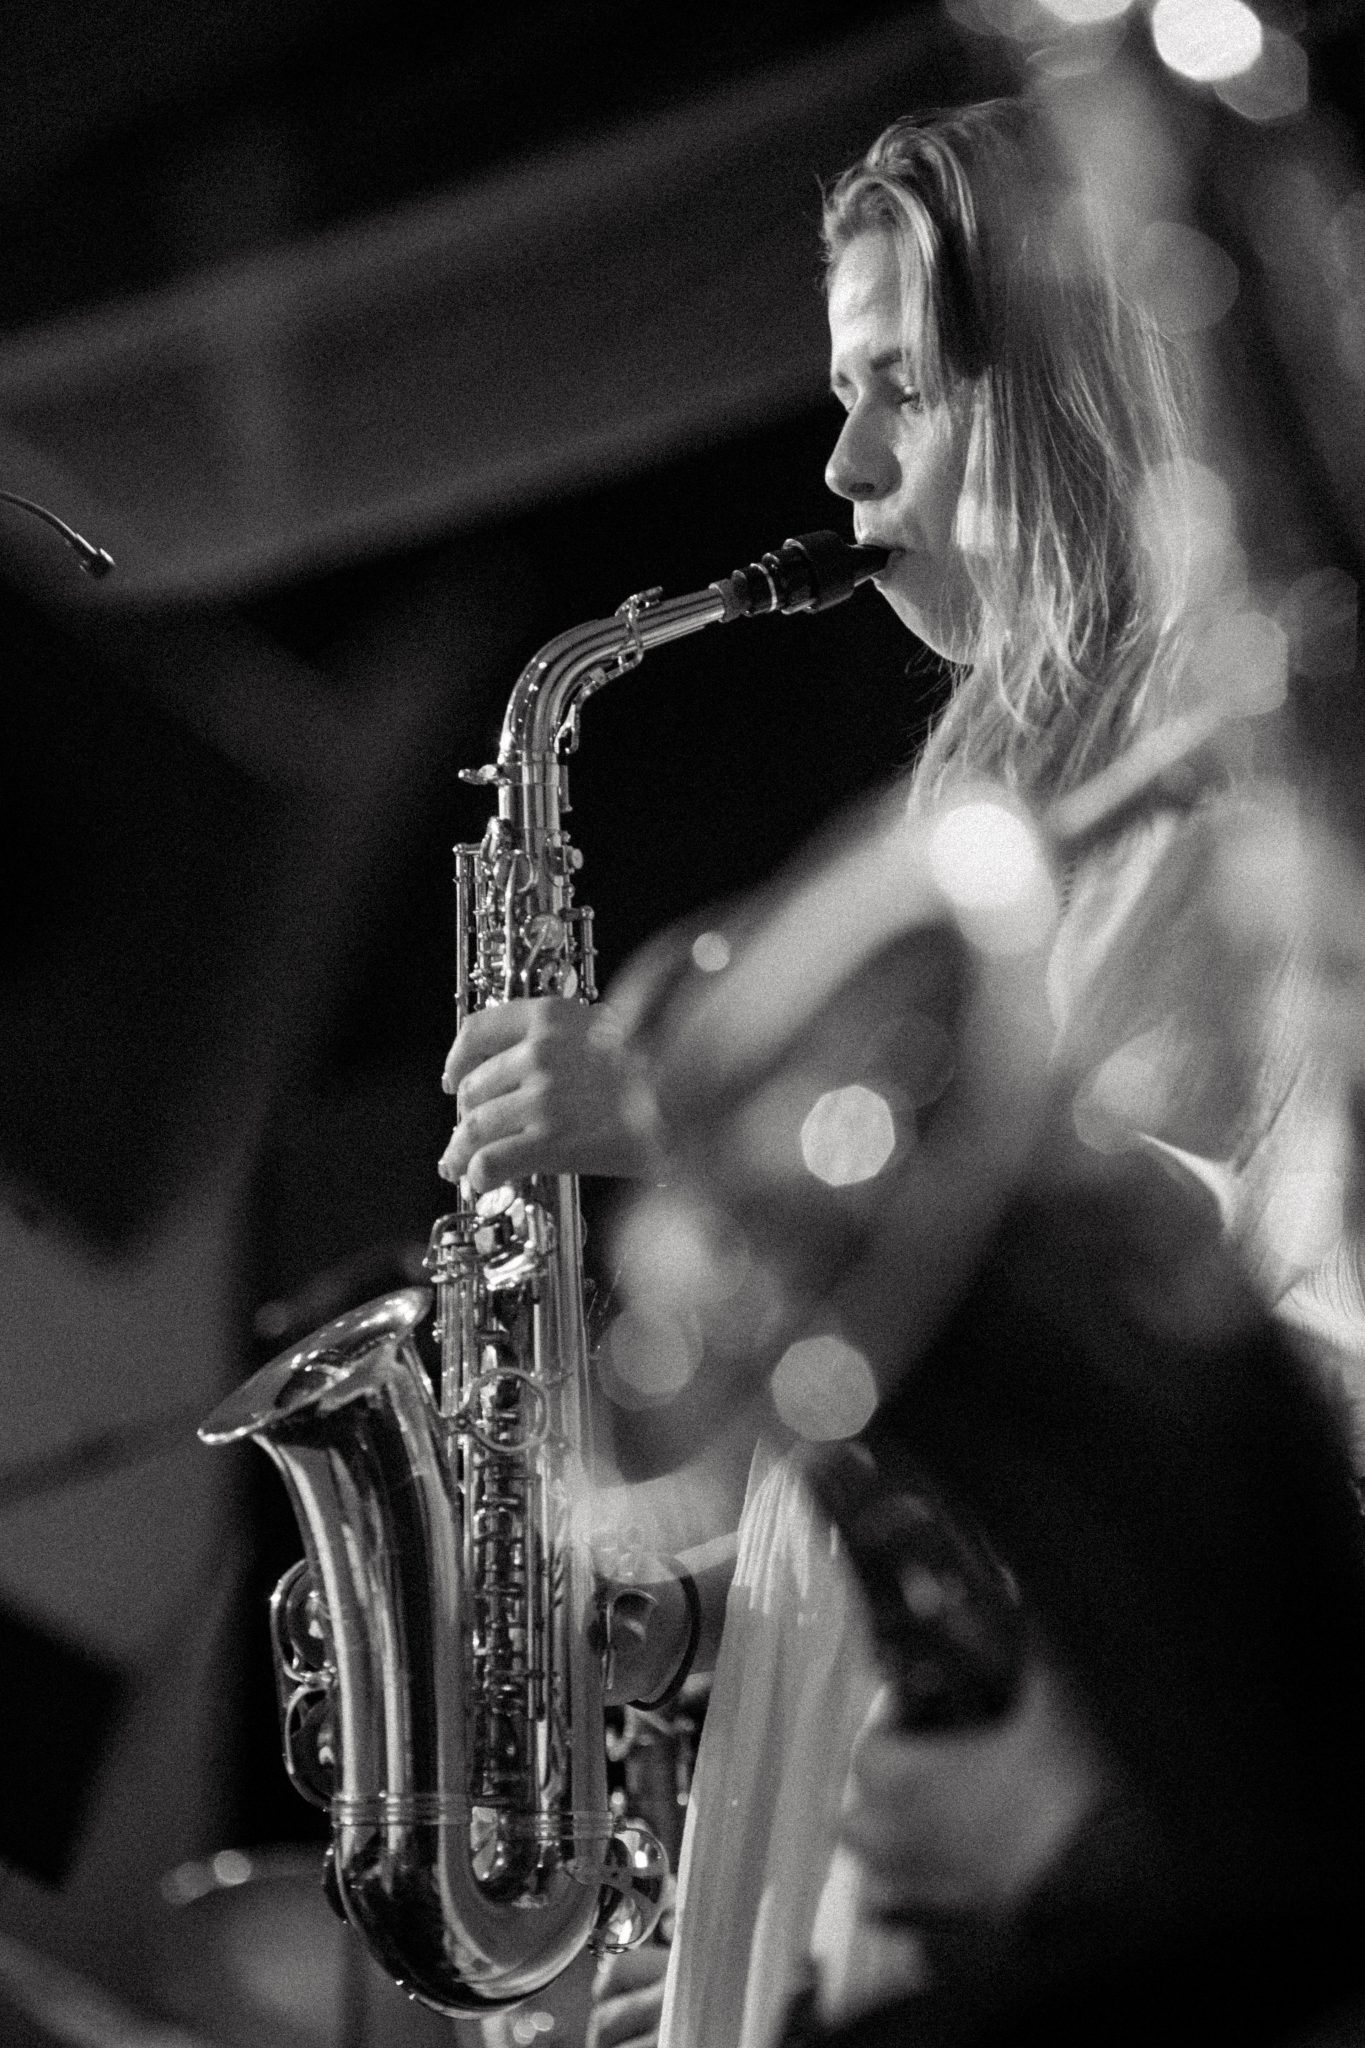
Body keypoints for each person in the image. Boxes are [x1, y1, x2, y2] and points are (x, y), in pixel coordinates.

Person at [440, 99, 1365, 2048]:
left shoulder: (1250, 819)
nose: (844, 463)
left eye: (903, 390)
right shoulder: (978, 824)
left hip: (1105, 1811)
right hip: (915, 1769)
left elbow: (1256, 1338)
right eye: (839, 394)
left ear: (1073, 393)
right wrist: (691, 1623)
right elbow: (920, 1440)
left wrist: (723, 1142)